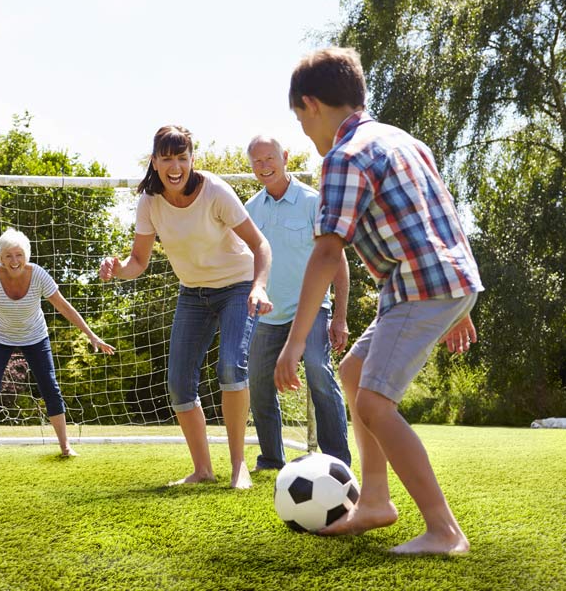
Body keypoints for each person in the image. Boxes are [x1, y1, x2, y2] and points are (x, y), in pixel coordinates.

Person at [274, 47, 483, 554]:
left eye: (301, 120)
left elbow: (327, 253)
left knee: (373, 402)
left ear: (311, 105)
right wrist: (462, 301)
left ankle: (444, 530)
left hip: (421, 285)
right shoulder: (401, 139)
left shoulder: (342, 158)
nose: (305, 131)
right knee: (353, 373)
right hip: (442, 280)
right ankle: (374, 502)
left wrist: (294, 342)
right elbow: (444, 212)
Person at [99, 125, 273, 489]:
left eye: (182, 157)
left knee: (230, 365)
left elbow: (261, 246)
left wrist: (258, 287)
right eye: (167, 158)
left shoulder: (215, 192)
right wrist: (118, 271)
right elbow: (138, 262)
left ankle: (239, 465)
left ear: (193, 160)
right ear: (155, 161)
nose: (175, 166)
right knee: (178, 384)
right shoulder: (149, 202)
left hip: (237, 288)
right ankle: (202, 469)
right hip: (193, 293)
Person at [0, 229, 115, 458]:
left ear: (26, 255)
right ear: (0, 258)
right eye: (8, 256)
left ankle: (65, 447)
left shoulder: (38, 274)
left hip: (35, 335)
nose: (14, 261)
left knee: (50, 387)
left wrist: (91, 334)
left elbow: (63, 306)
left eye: (18, 254)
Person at [244, 135, 352, 470]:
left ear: (285, 157)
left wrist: (341, 317)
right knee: (259, 384)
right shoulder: (249, 210)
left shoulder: (312, 201)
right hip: (267, 316)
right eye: (257, 162)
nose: (264, 167)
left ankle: (338, 462)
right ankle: (271, 459)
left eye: (270, 158)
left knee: (319, 373)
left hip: (313, 310)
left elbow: (339, 261)